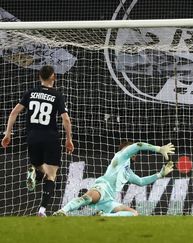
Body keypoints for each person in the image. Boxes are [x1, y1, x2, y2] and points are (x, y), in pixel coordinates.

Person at [1, 65, 74, 217]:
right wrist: (69, 139)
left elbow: (14, 113)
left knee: (41, 168)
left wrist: (8, 134)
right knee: (52, 175)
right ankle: (42, 210)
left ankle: (34, 172)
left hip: (32, 137)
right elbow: (65, 119)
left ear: (39, 77)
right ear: (54, 77)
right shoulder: (57, 95)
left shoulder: (31, 93)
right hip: (50, 137)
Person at [53, 141, 175, 216]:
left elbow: (141, 182)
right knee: (87, 198)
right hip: (102, 188)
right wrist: (159, 149)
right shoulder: (121, 155)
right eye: (130, 149)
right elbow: (138, 145)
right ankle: (62, 211)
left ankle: (104, 216)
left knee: (134, 213)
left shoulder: (127, 171)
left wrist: (160, 174)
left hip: (109, 200)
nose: (134, 152)